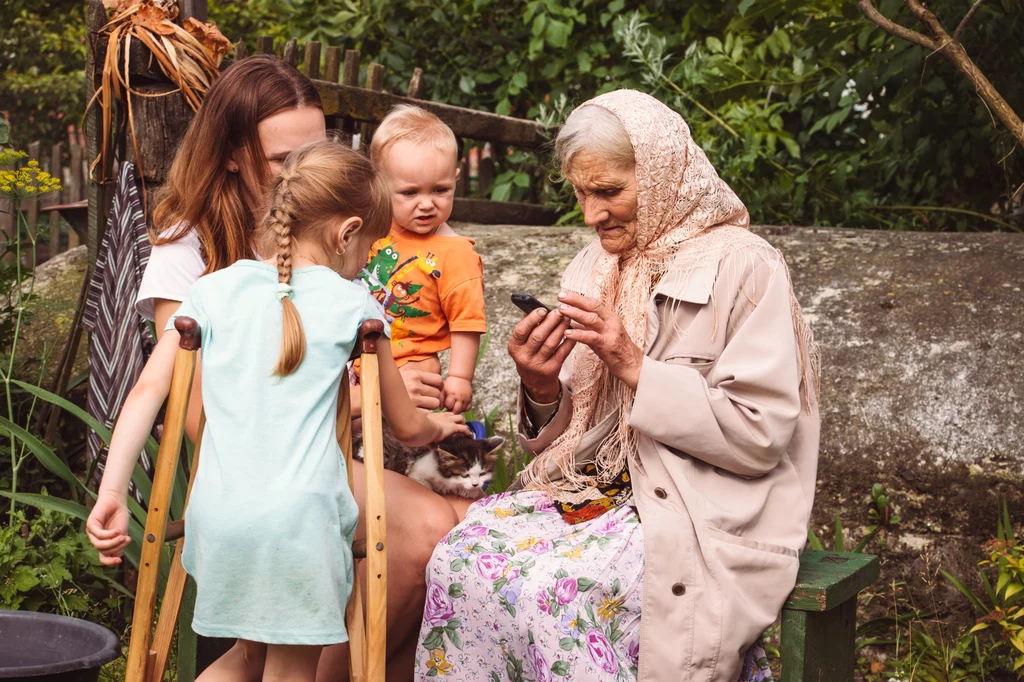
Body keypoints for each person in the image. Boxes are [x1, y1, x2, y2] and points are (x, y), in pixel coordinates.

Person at [412, 90, 820, 682]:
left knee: (559, 590)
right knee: (459, 560)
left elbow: (760, 436)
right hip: (598, 494)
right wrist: (541, 384)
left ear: (661, 175)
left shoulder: (744, 265)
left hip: (697, 505)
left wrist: (633, 364)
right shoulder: (592, 266)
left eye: (608, 192)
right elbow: (570, 437)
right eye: (581, 193)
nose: (591, 215)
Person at [131, 56, 470, 681]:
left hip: (328, 446)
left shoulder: (325, 234)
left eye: (314, 152)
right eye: (284, 160)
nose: (304, 172)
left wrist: (372, 381)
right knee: (427, 529)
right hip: (255, 461)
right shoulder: (189, 244)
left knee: (459, 527)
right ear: (232, 153)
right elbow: (196, 412)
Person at [357, 105, 487, 414]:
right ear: (381, 185)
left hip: (414, 366)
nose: (426, 204)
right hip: (360, 359)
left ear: (455, 179)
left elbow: (466, 323)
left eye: (440, 190)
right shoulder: (374, 227)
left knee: (401, 445)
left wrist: (459, 377)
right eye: (410, 193)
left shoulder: (455, 254)